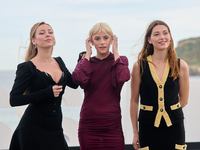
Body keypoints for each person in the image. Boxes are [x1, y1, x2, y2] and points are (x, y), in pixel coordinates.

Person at [9, 22, 78, 150]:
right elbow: (14, 99)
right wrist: (46, 93)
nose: (48, 35)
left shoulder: (59, 61)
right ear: (33, 41)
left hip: (56, 128)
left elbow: (74, 84)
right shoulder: (27, 67)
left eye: (50, 32)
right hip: (33, 129)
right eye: (42, 33)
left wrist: (81, 62)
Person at [130, 20, 189, 150]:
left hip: (175, 128)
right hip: (147, 128)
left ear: (170, 36)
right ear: (149, 40)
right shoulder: (139, 66)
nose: (162, 37)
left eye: (165, 33)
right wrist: (135, 133)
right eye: (156, 34)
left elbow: (183, 100)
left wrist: (169, 110)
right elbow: (134, 101)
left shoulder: (181, 65)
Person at [72, 22, 130, 150]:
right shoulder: (85, 63)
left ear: (112, 40)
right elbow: (79, 80)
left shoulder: (121, 60)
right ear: (91, 41)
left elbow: (122, 77)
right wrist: (87, 55)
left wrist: (115, 51)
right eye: (97, 39)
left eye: (106, 38)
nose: (102, 42)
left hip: (112, 125)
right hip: (89, 125)